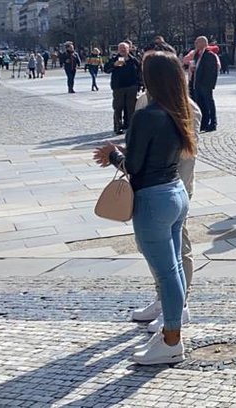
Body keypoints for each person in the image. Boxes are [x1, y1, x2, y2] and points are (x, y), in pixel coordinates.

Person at [92, 51, 196, 365]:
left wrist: (113, 155)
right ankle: (170, 332)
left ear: (151, 79)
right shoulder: (180, 111)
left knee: (166, 273)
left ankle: (171, 339)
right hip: (176, 192)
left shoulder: (147, 115)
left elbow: (134, 167)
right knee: (175, 268)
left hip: (152, 200)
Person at [130, 44, 201, 333]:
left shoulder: (168, 109)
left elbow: (140, 162)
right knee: (163, 259)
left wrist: (114, 155)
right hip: (171, 189)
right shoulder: (154, 103)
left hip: (164, 187)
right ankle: (165, 303)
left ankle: (175, 316)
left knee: (174, 256)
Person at [103, 42, 142, 135]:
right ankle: (118, 126)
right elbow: (106, 69)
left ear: (129, 49)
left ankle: (130, 126)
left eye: (125, 48)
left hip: (132, 86)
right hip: (118, 87)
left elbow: (140, 71)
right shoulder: (114, 59)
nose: (123, 50)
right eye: (121, 49)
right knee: (118, 107)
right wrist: (114, 65)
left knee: (131, 108)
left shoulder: (134, 60)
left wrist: (140, 84)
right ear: (118, 50)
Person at [191, 36, 220, 132]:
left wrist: (209, 85)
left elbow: (212, 72)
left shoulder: (209, 55)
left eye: (197, 42)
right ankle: (203, 123)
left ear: (203, 43)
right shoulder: (197, 54)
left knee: (209, 103)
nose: (195, 44)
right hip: (197, 83)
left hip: (205, 84)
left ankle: (213, 123)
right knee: (200, 104)